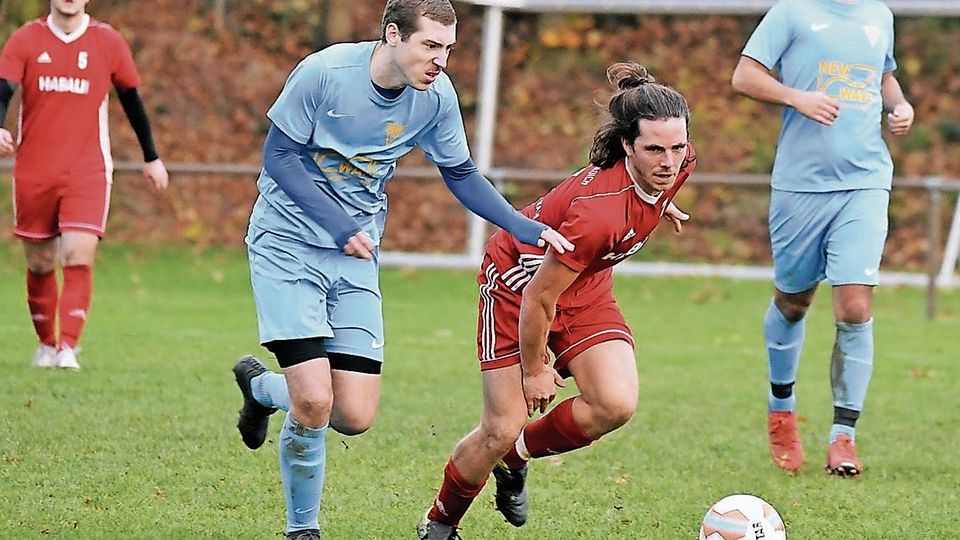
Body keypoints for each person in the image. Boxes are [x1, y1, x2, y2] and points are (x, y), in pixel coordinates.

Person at [229, 1, 573, 538]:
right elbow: (279, 157)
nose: (441, 61)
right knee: (315, 400)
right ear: (393, 35)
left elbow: (460, 173)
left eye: (448, 49)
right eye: (430, 46)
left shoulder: (435, 98)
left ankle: (262, 390)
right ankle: (303, 528)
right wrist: (338, 225)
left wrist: (522, 226)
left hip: (355, 256)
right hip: (288, 245)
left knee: (353, 415)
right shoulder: (324, 73)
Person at [417, 62, 697, 539]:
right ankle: (440, 524)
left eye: (677, 147)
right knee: (500, 427)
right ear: (627, 147)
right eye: (654, 150)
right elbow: (538, 298)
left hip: (585, 286)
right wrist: (533, 370)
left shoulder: (675, 165)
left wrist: (659, 202)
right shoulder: (598, 216)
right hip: (518, 285)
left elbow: (646, 187)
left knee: (613, 403)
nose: (669, 162)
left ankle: (515, 457)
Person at [731, 0, 914, 478]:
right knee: (794, 302)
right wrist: (797, 97)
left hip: (865, 180)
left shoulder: (879, 15)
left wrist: (899, 106)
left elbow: (883, 76)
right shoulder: (792, 12)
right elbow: (744, 76)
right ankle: (781, 411)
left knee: (854, 306)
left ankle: (843, 437)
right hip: (801, 185)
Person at [0, 0, 169, 370]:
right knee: (40, 262)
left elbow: (131, 99)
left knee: (78, 253)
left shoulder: (107, 41)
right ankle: (46, 345)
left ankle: (67, 348)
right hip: (34, 170)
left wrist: (151, 156)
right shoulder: (27, 38)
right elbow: (4, 89)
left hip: (87, 170)